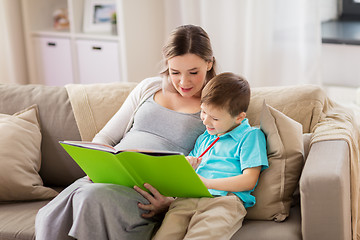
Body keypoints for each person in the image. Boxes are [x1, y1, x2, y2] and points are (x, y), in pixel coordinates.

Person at [35, 24, 217, 240]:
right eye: (174, 72)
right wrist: (99, 165)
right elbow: (106, 137)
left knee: (89, 198)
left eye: (193, 73)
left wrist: (172, 203)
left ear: (209, 63)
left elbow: (217, 166)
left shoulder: (217, 106)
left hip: (149, 194)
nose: (183, 82)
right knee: (55, 211)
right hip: (109, 178)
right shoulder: (149, 87)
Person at [152, 72, 269, 240]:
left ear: (239, 117)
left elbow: (249, 180)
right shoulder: (205, 137)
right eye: (203, 112)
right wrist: (188, 165)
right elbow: (188, 173)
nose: (205, 121)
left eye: (214, 118)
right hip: (188, 199)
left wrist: (207, 183)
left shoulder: (250, 136)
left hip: (224, 202)